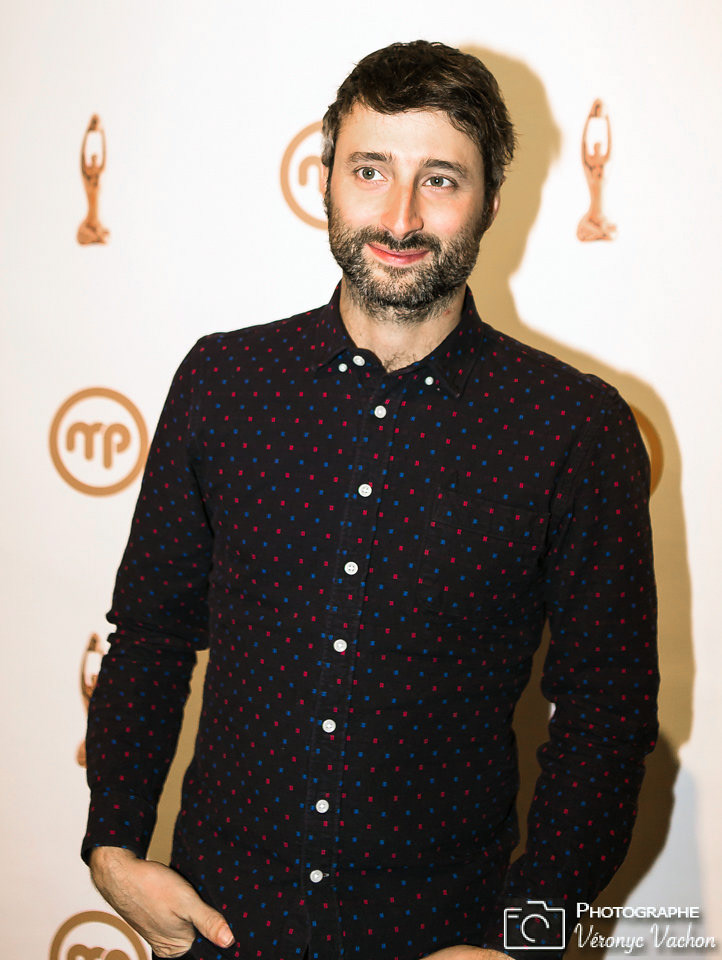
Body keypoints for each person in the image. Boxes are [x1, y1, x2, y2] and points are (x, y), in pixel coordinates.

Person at [82, 40, 659, 960]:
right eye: (370, 170)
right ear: (326, 181)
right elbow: (149, 634)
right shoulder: (224, 383)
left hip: (444, 934)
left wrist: (528, 939)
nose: (399, 216)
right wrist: (112, 845)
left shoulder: (573, 427)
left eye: (441, 179)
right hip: (220, 925)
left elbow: (609, 710)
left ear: (491, 202)